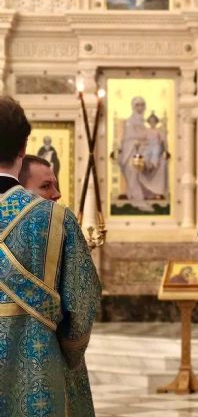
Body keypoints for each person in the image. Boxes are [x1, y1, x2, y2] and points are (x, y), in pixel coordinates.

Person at [0, 96, 102, 416]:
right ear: (23, 146)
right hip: (38, 373)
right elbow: (83, 300)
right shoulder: (55, 219)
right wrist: (68, 353)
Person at [116, 96, 153, 211]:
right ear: (133, 107)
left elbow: (147, 138)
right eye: (137, 105)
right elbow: (128, 139)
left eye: (142, 105)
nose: (140, 107)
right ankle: (139, 201)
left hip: (142, 152)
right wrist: (139, 141)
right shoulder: (130, 122)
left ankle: (142, 196)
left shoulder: (142, 122)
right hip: (129, 152)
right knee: (133, 170)